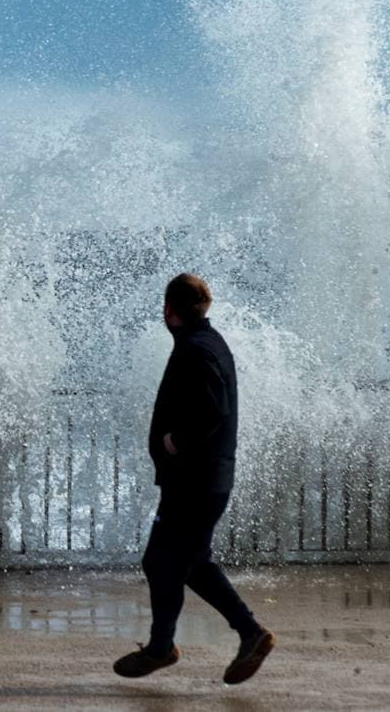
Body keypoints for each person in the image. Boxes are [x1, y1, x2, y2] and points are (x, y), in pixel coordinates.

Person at [113, 273, 275, 685]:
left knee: (174, 561)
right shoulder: (208, 342)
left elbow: (213, 410)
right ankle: (166, 646)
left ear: (169, 311)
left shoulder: (196, 350)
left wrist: (173, 443)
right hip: (201, 480)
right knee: (183, 562)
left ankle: (235, 634)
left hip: (196, 482)